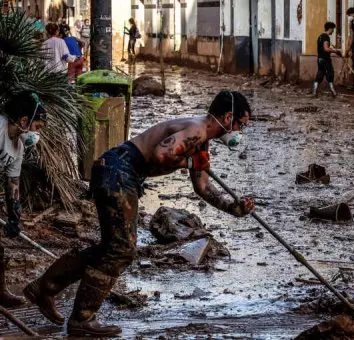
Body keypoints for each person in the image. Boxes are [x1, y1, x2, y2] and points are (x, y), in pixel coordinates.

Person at [24, 91, 255, 337]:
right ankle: (82, 317)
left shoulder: (202, 139)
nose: (240, 132)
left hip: (118, 172)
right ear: (229, 117)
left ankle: (45, 287)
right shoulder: (196, 130)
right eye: (241, 125)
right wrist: (188, 163)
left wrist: (232, 207)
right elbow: (161, 154)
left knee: (112, 248)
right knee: (121, 250)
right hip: (119, 171)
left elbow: (203, 187)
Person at [0, 92, 47, 308]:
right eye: (37, 127)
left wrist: (14, 217)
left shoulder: (17, 146)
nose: (37, 134)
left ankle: (0, 292)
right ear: (23, 121)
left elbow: (13, 184)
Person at [313, 22, 342, 97]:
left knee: (320, 74)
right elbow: (326, 49)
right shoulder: (326, 37)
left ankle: (314, 90)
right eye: (333, 29)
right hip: (325, 59)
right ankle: (333, 92)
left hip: (319, 59)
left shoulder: (320, 36)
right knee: (330, 74)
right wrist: (336, 51)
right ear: (330, 28)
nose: (333, 31)